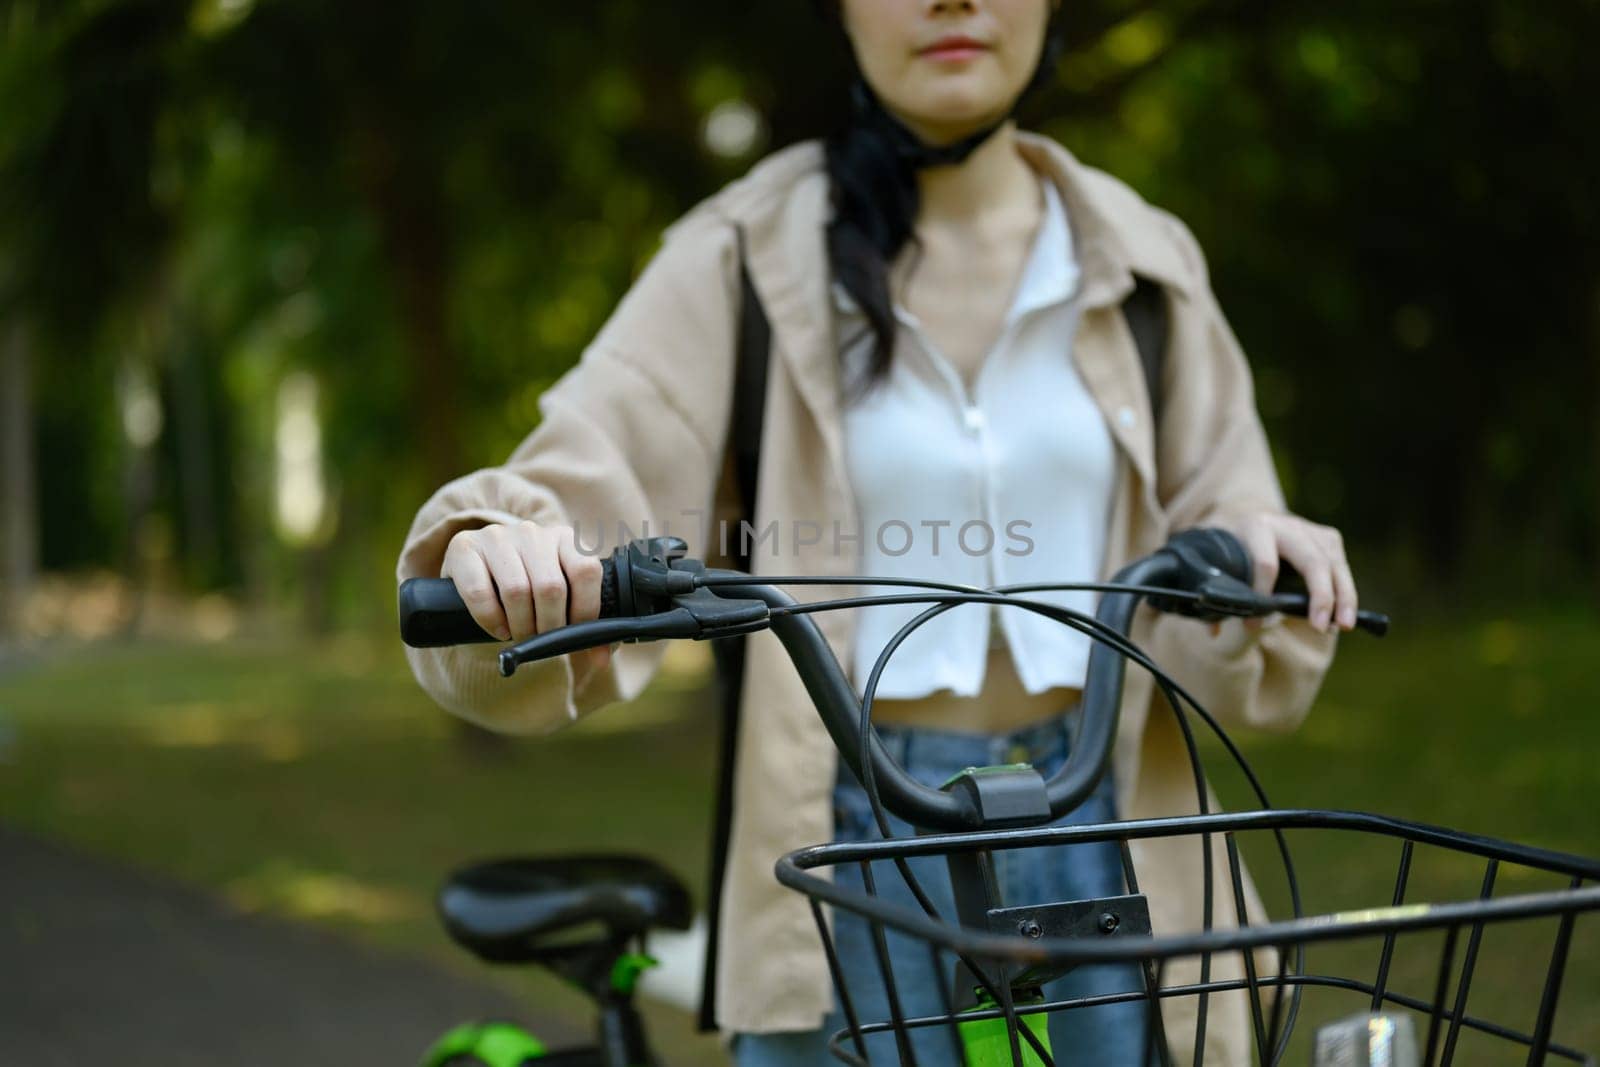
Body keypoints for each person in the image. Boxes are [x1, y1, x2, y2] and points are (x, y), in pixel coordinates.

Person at [397, 0, 1359, 1062]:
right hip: (858, 825)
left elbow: (1229, 511)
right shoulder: (744, 253)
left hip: (1115, 816)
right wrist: (501, 538)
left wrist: (1266, 546)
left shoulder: (1141, 259)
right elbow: (585, 469)